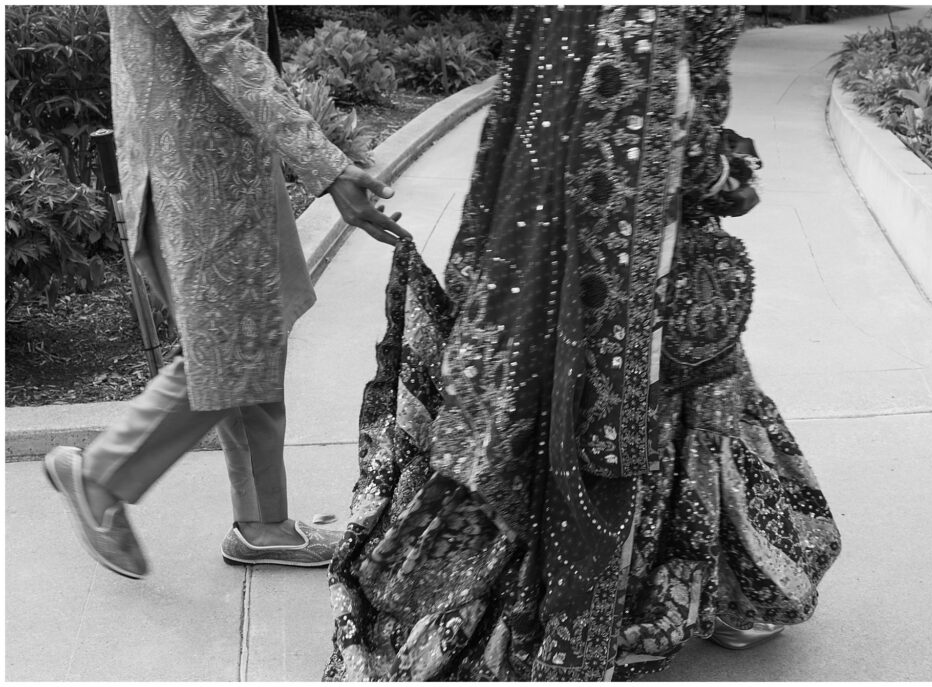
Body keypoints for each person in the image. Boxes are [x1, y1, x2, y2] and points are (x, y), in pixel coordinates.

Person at [323, 6, 840, 681]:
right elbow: (664, 117)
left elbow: (535, 111)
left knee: (642, 409)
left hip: (555, 260)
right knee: (618, 431)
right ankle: (644, 599)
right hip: (631, 283)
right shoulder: (651, 19)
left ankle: (701, 580)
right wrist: (724, 175)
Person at [43, 6, 409, 580]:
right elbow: (222, 42)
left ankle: (263, 523)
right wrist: (328, 166)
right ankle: (100, 476)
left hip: (208, 159)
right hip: (202, 171)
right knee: (225, 348)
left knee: (254, 334)